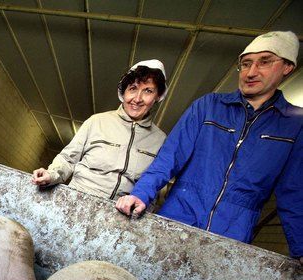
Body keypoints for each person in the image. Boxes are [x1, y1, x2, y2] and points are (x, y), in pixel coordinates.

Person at [115, 31, 302, 263]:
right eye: (246, 64)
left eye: (265, 61)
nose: (251, 72)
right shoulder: (208, 106)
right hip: (178, 215)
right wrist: (141, 194)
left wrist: (301, 246)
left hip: (233, 232)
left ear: (287, 67)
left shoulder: (295, 125)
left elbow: (294, 191)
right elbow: (169, 157)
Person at [31, 59, 168, 200]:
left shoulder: (161, 140)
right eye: (132, 89)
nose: (137, 99)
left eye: (148, 91)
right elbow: (68, 159)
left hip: (121, 216)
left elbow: (156, 186)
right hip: (77, 201)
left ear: (157, 96)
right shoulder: (97, 122)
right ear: (124, 92)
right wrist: (51, 174)